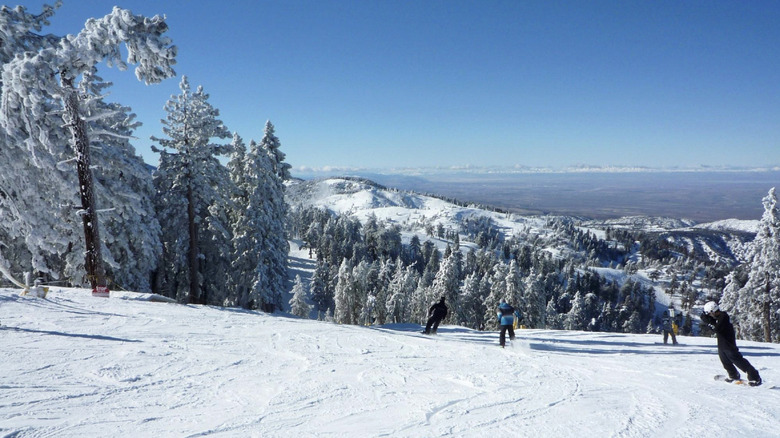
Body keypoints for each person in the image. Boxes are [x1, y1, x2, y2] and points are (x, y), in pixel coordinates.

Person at [700, 301, 762, 386]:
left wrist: (708, 322)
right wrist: (707, 319)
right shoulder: (717, 317)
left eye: (709, 314)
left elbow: (716, 329)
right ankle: (733, 375)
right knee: (725, 361)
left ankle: (755, 378)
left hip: (729, 345)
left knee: (739, 362)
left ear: (713, 311)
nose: (710, 316)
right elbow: (714, 324)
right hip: (722, 344)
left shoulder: (723, 317)